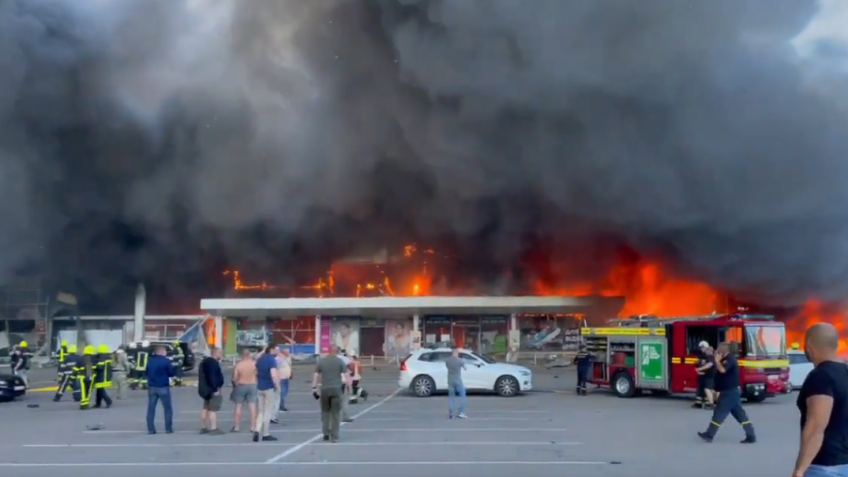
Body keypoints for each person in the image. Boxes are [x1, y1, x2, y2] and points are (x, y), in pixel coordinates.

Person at [793, 323, 848, 477]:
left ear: (809, 345)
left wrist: (800, 470)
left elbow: (816, 426)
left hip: (824, 466)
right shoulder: (845, 371)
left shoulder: (821, 376)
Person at [698, 341, 755, 443]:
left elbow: (723, 370)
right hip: (730, 392)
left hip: (729, 392)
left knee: (719, 413)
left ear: (723, 351)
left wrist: (717, 361)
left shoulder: (730, 359)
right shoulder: (725, 359)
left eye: (719, 351)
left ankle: (709, 435)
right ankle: (751, 435)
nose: (717, 352)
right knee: (740, 415)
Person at [312, 345, 349, 443]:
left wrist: (314, 388)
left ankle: (325, 433)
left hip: (325, 389)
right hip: (336, 389)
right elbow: (346, 375)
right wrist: (347, 386)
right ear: (338, 352)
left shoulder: (322, 361)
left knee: (325, 412)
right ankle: (335, 436)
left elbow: (316, 374)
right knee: (336, 414)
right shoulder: (340, 362)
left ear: (329, 351)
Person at [254, 344, 280, 442]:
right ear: (272, 349)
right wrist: (277, 386)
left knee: (260, 411)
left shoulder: (260, 359)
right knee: (268, 411)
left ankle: (256, 430)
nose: (278, 352)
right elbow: (273, 374)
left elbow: (256, 371)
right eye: (277, 349)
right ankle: (265, 433)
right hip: (268, 387)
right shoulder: (271, 360)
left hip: (260, 387)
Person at [146, 345, 175, 434]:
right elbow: (170, 373)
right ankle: (168, 428)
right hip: (163, 386)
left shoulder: (150, 360)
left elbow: (146, 372)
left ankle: (151, 429)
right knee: (167, 408)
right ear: (162, 352)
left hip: (152, 386)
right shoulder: (166, 361)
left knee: (151, 408)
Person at [198, 347, 225, 435]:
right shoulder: (213, 364)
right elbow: (212, 377)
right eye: (220, 353)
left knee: (205, 408)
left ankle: (203, 427)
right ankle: (214, 428)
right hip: (212, 389)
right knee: (213, 409)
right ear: (215, 353)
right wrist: (215, 389)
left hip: (205, 389)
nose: (221, 354)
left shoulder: (205, 362)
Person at [230, 349, 258, 433]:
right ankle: (253, 427)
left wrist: (235, 383)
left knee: (238, 406)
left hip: (241, 385)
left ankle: (237, 427)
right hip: (252, 385)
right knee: (252, 407)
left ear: (242, 355)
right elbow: (258, 374)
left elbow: (234, 378)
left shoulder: (239, 365)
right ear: (249, 355)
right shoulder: (254, 364)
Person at [445, 347, 468, 419]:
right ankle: (460, 412)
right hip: (458, 380)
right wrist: (463, 362)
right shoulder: (460, 360)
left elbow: (447, 367)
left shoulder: (447, 360)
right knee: (463, 396)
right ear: (457, 353)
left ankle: (451, 414)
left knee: (451, 398)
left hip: (450, 380)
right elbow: (465, 368)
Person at [93, 344, 113, 409]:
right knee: (99, 390)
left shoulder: (101, 358)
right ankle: (98, 403)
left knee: (101, 390)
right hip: (106, 376)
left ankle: (108, 401)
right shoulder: (107, 357)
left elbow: (99, 367)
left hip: (101, 376)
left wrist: (94, 367)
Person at [274, 347, 292, 419]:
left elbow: (289, 366)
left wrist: (291, 373)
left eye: (288, 352)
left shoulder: (288, 358)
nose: (288, 353)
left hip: (286, 378)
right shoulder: (278, 359)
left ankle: (281, 406)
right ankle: (281, 407)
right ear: (283, 352)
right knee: (281, 392)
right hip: (281, 378)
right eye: (287, 352)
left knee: (284, 392)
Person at [77, 345, 96, 410]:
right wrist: (90, 376)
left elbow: (76, 368)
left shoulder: (81, 358)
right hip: (89, 376)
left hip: (81, 377)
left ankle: (82, 404)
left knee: (83, 391)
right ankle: (85, 404)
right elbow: (89, 368)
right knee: (88, 391)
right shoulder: (90, 358)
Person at [693, 341, 712, 408]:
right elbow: (696, 362)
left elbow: (709, 364)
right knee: (699, 389)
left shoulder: (709, 355)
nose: (701, 349)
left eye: (702, 347)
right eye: (700, 347)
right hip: (701, 374)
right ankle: (698, 403)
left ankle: (708, 403)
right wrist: (699, 362)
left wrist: (700, 367)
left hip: (707, 374)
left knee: (707, 389)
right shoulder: (700, 354)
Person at [338, 350, 355, 423]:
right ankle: (344, 416)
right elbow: (351, 365)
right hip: (342, 381)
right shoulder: (343, 359)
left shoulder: (327, 359)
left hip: (330, 382)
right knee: (344, 399)